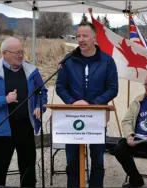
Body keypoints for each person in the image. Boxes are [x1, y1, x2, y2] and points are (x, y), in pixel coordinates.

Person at [56, 22, 118, 187]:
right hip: (72, 117)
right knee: (72, 160)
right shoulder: (68, 60)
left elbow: (113, 88)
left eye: (85, 36)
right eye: (78, 36)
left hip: (96, 116)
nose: (81, 39)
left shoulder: (107, 61)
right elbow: (60, 87)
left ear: (94, 38)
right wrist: (73, 102)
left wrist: (92, 104)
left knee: (97, 159)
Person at [0, 37, 48, 187]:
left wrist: (40, 106)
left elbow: (42, 92)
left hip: (26, 127)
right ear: (4, 53)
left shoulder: (31, 71)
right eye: (16, 53)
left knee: (28, 168)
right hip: (2, 129)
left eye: (21, 52)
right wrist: (5, 99)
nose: (20, 55)